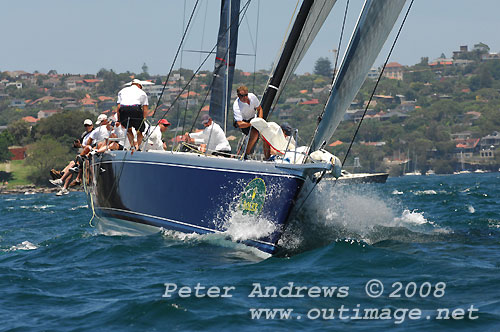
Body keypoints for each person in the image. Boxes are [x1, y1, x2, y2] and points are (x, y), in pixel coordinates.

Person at [232, 85, 269, 159]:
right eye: (242, 96)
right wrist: (251, 124)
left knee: (266, 135)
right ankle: (247, 154)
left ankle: (268, 156)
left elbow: (259, 109)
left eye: (246, 95)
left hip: (254, 119)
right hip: (243, 122)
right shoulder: (236, 106)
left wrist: (260, 120)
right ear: (238, 96)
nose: (245, 97)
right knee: (254, 134)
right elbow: (239, 123)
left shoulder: (252, 97)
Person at [116, 79, 150, 150]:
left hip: (124, 109)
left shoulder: (122, 91)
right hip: (135, 109)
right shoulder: (142, 93)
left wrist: (119, 120)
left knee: (128, 129)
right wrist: (143, 119)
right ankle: (138, 148)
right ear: (139, 85)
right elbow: (145, 108)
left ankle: (132, 146)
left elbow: (118, 107)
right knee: (140, 130)